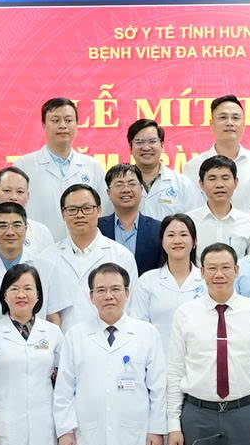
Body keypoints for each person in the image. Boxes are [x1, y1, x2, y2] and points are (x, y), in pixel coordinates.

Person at [163, 244, 250, 445]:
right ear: (201, 272)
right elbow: (175, 371)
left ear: (237, 270)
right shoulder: (185, 314)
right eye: (212, 268)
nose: (219, 274)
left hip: (244, 414)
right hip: (197, 414)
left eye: (226, 267)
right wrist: (173, 426)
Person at [55, 264, 164, 445]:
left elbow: (158, 388)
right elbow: (64, 391)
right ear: (91, 296)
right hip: (87, 439)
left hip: (136, 438)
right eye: (101, 290)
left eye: (115, 289)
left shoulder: (147, 333)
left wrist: (157, 430)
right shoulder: (75, 336)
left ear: (127, 293)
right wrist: (65, 431)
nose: (108, 296)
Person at [0, 265, 64, 445]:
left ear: (38, 295)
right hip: (3, 425)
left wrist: (64, 428)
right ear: (4, 295)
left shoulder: (53, 333)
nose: (21, 294)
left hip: (45, 424)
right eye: (14, 289)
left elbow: (62, 385)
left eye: (28, 288)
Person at [0, 201, 80, 328]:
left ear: (26, 229)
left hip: (37, 340)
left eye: (17, 225)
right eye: (3, 226)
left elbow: (53, 317)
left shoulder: (47, 269)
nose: (10, 232)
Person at [14, 96, 108, 228]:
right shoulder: (23, 166)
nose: (63, 125)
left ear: (77, 125)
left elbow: (104, 213)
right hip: (38, 240)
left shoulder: (94, 167)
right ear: (44, 125)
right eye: (55, 120)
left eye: (68, 120)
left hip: (83, 240)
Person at [50, 182, 137, 308]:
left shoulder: (121, 256)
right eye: (72, 210)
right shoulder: (48, 257)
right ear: (63, 214)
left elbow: (131, 307)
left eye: (87, 208)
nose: (80, 215)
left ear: (99, 210)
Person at [129, 214, 205, 342]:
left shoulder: (207, 280)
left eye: (183, 235)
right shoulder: (147, 281)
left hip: (199, 353)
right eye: (170, 235)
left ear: (194, 241)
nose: (177, 240)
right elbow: (138, 326)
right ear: (162, 242)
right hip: (159, 353)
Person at [193, 94, 250, 208]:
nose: (229, 123)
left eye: (235, 118)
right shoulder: (194, 166)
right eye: (223, 117)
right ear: (212, 124)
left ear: (243, 124)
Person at [121, 118, 201, 221]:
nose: (146, 148)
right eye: (139, 142)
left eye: (152, 141)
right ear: (130, 147)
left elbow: (197, 221)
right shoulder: (119, 184)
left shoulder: (183, 184)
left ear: (162, 145)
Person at [100, 163, 167, 272]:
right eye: (119, 185)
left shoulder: (159, 229)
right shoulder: (97, 228)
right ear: (108, 192)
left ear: (141, 189)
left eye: (132, 184)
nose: (126, 189)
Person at [190, 156, 250, 258]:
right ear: (201, 184)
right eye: (212, 179)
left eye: (225, 178)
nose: (219, 185)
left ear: (236, 182)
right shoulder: (189, 222)